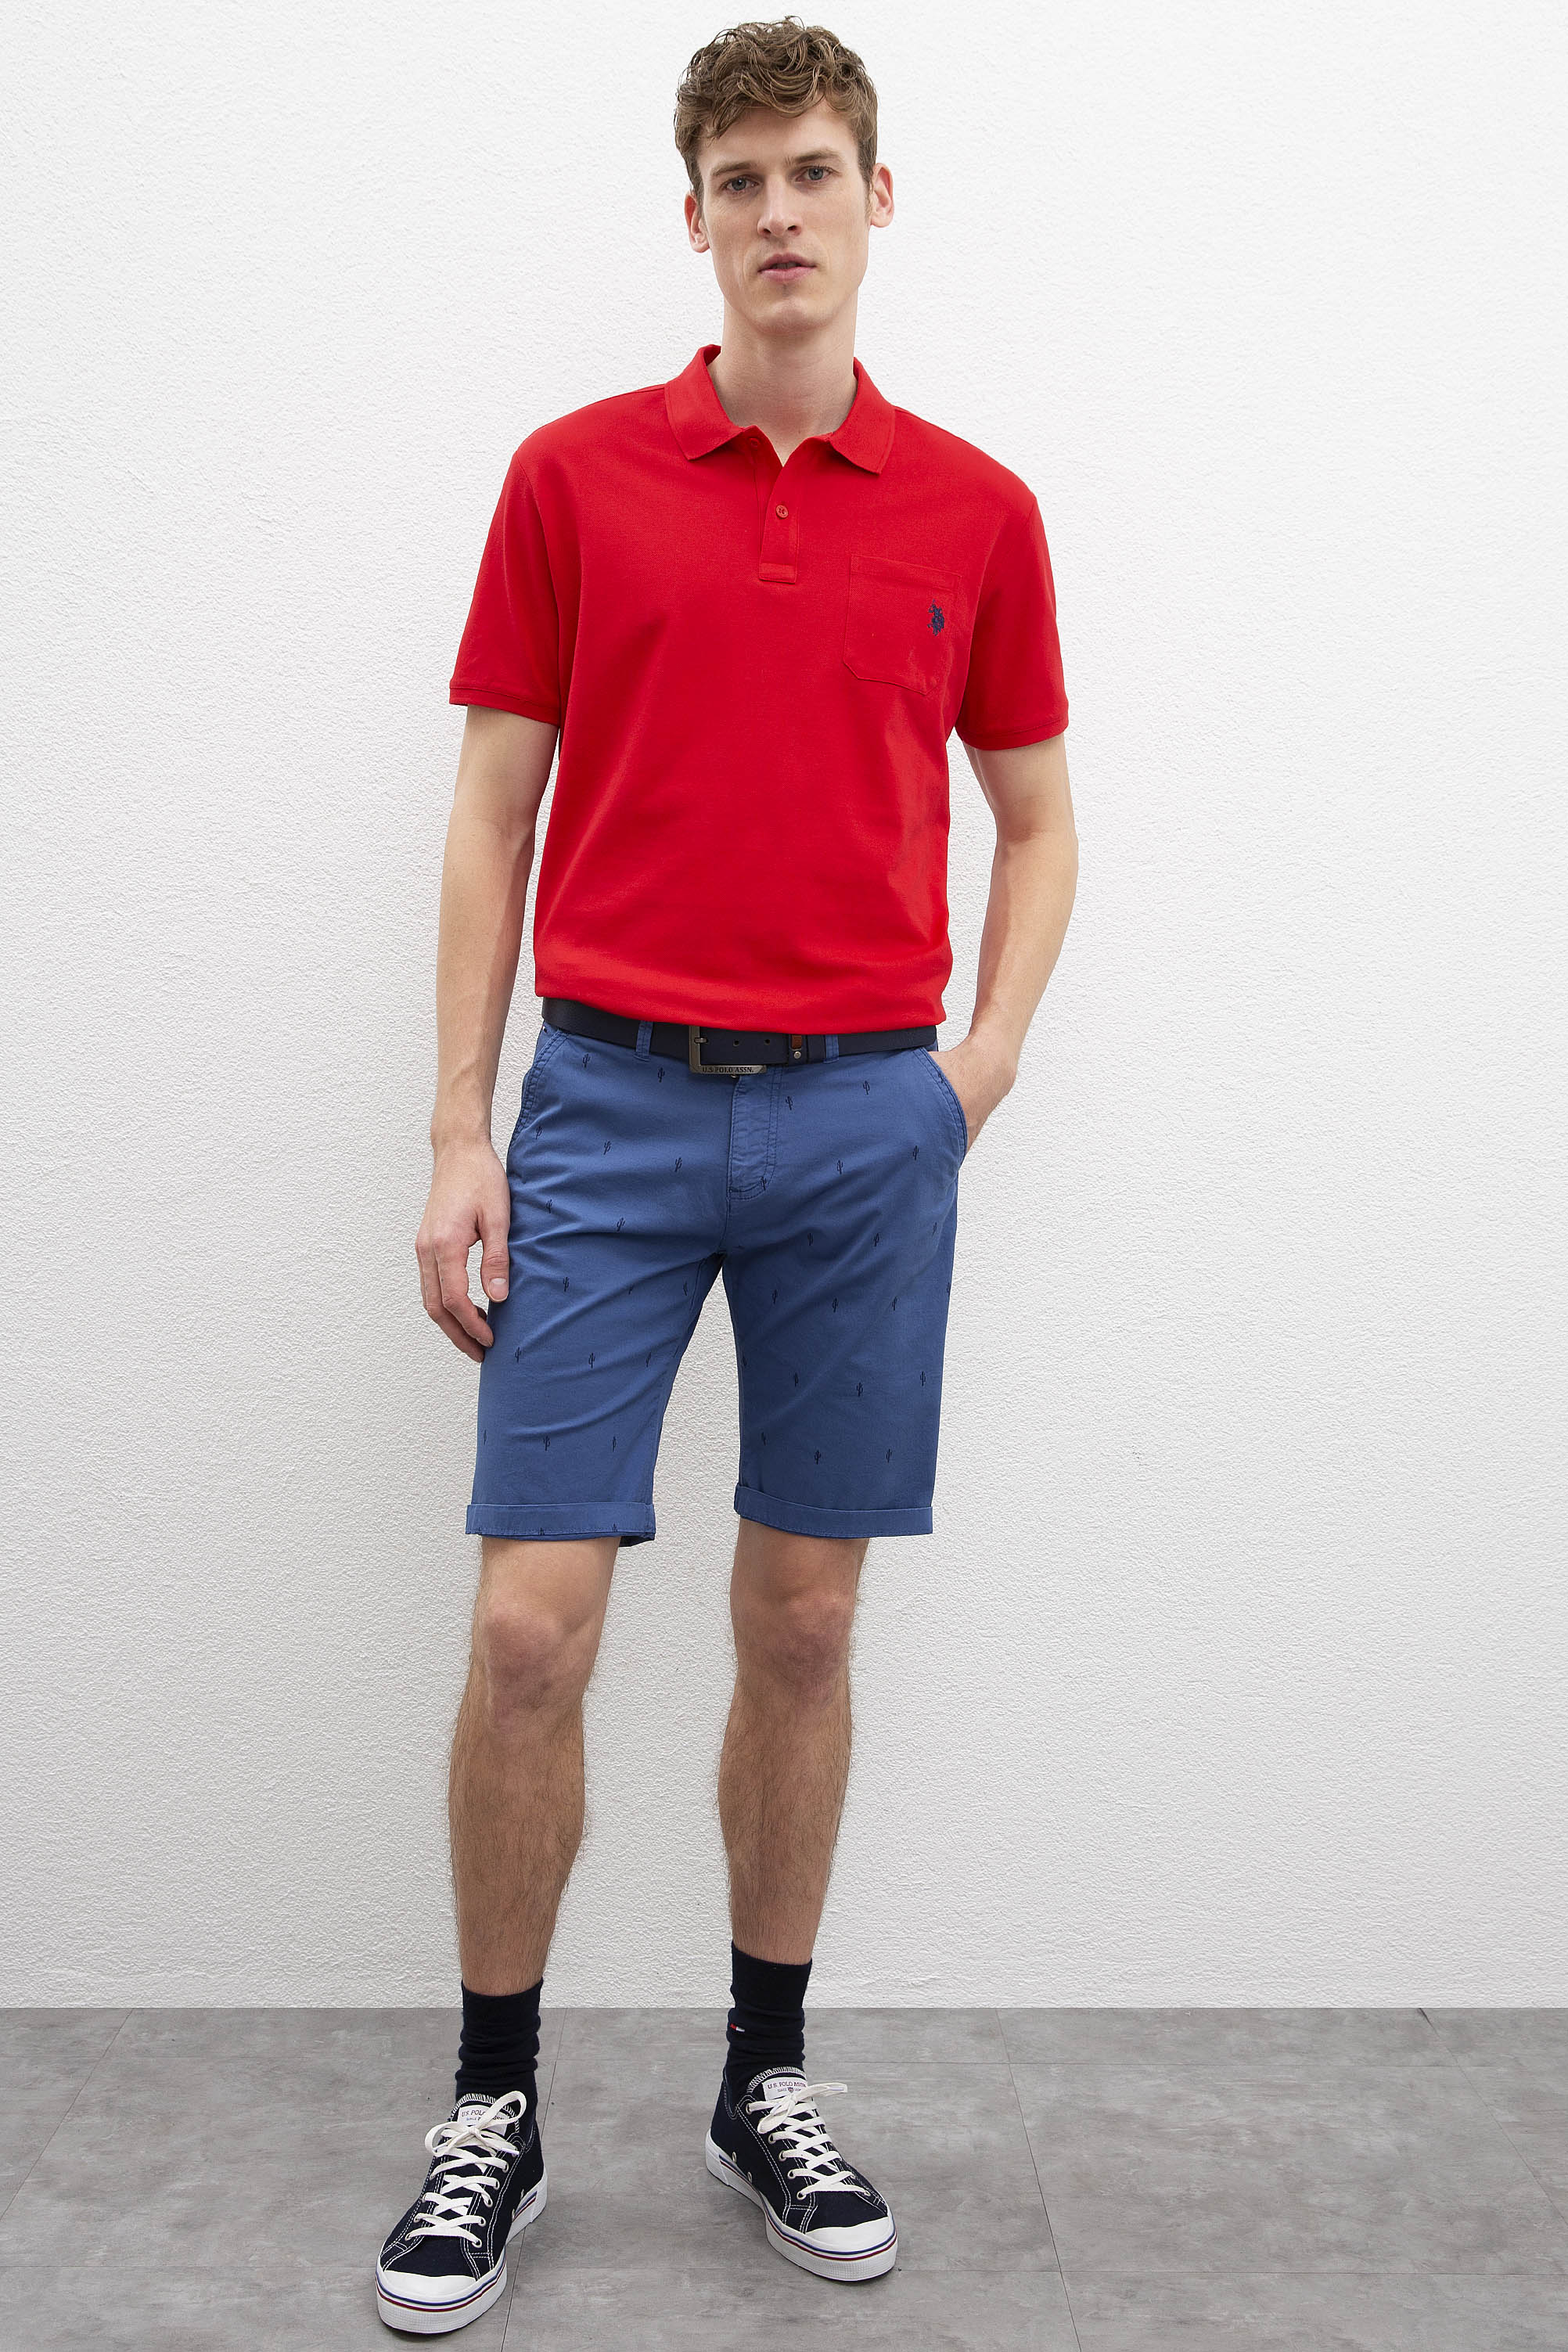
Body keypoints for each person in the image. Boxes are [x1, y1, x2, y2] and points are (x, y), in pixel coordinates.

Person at [377, 15, 1077, 2333]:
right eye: (741, 179)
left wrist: (970, 1072)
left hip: (867, 1123)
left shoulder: (975, 511)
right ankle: (492, 2102)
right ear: (692, 219)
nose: (781, 211)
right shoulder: (574, 479)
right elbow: (491, 811)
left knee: (803, 1621)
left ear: (879, 199)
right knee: (528, 1626)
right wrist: (462, 1127)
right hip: (608, 1107)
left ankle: (763, 2079)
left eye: (814, 170)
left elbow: (1038, 821)